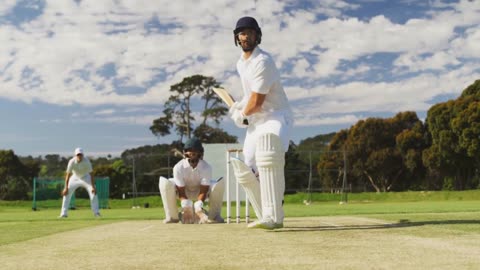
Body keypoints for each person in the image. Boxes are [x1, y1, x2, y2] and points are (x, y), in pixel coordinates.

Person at [229, 16, 293, 230]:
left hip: (275, 116)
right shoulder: (241, 63)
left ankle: (275, 215)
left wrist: (242, 115)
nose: (245, 36)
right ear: (237, 37)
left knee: (268, 156)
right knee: (247, 170)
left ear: (257, 35)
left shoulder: (263, 61)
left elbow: (258, 101)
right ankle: (266, 213)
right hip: (257, 121)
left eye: (249, 32)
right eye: (241, 33)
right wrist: (240, 105)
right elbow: (251, 96)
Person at [159, 137, 225, 224]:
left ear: (200, 152)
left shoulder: (206, 167)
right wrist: (186, 206)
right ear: (185, 152)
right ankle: (172, 216)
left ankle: (214, 216)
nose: (192, 152)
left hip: (199, 192)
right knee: (165, 182)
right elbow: (181, 191)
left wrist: (199, 206)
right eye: (189, 150)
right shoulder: (178, 167)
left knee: (217, 184)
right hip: (183, 192)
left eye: (195, 150)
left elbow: (203, 191)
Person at [59, 147, 101, 218]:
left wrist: (93, 187)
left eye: (80, 155)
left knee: (93, 193)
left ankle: (96, 213)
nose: (79, 156)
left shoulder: (87, 161)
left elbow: (91, 174)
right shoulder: (71, 162)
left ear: (83, 155)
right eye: (78, 155)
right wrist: (65, 188)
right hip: (75, 177)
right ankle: (63, 214)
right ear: (75, 155)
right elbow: (68, 175)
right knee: (66, 193)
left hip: (86, 177)